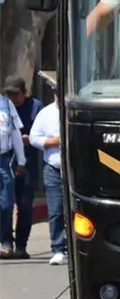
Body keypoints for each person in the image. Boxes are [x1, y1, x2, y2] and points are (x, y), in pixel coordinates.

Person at [2, 77, 42, 259]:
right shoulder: (4, 108)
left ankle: (21, 246)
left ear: (24, 93)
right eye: (8, 94)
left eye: (15, 94)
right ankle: (6, 242)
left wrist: (30, 139)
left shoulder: (35, 107)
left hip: (28, 162)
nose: (12, 98)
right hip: (7, 160)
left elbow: (40, 132)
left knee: (25, 206)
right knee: (5, 204)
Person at [29, 87, 64, 265]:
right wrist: (51, 142)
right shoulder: (46, 113)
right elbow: (34, 138)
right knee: (56, 210)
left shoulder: (75, 110)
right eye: (58, 93)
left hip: (77, 169)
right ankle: (58, 248)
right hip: (54, 168)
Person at [0, 87, 26, 258]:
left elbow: (16, 134)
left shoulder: (7, 105)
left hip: (4, 160)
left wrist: (21, 159)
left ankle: (6, 241)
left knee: (7, 203)